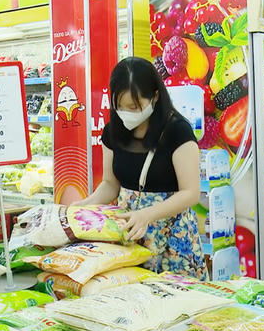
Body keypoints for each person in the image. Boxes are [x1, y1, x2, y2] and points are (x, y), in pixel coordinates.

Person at [73, 57, 207, 280]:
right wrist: (83, 206)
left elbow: (190, 192)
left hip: (174, 241)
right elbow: (110, 185)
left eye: (134, 107)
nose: (126, 113)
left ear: (155, 96)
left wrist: (146, 215)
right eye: (120, 107)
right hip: (130, 238)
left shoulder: (177, 131)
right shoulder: (113, 132)